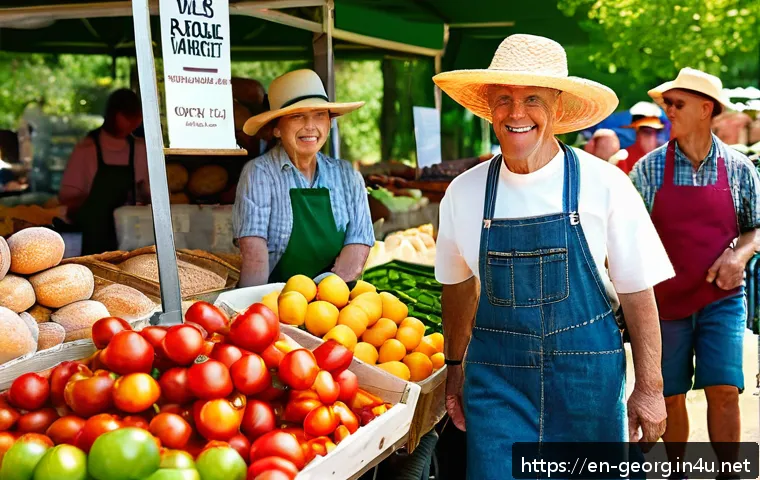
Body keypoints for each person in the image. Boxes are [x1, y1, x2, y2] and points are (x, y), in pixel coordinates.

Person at [432, 34, 674, 479]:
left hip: (588, 385)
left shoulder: (605, 185)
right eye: (503, 98)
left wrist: (651, 387)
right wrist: (453, 365)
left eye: (533, 99)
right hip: (496, 387)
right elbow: (457, 286)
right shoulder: (462, 194)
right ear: (488, 106)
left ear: (558, 108)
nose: (516, 112)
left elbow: (638, 291)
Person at [630, 67, 760, 475]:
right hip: (664, 301)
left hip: (721, 296)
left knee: (723, 389)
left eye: (677, 103)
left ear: (706, 109)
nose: (668, 110)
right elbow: (627, 236)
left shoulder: (740, 168)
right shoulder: (647, 171)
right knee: (669, 396)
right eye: (667, 103)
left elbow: (755, 228)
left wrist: (738, 257)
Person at [233, 69, 374, 287]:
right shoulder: (260, 173)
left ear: (329, 123)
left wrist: (325, 298)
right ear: (277, 129)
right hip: (275, 302)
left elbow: (359, 243)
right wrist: (256, 311)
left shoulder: (348, 176)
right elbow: (255, 257)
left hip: (333, 304)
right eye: (297, 116)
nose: (310, 126)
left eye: (319, 115)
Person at [59, 89, 149, 254]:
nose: (134, 123)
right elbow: (67, 200)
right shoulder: (86, 149)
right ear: (113, 114)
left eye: (136, 118)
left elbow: (147, 193)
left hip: (131, 238)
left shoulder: (140, 149)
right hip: (94, 239)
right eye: (128, 117)